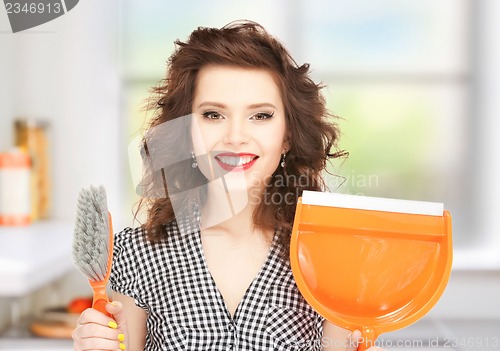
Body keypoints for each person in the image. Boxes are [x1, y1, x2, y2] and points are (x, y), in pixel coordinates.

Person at [72, 20, 385, 351]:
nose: (235, 137)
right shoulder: (135, 256)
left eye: (260, 115)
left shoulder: (329, 258)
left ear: (287, 137)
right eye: (213, 115)